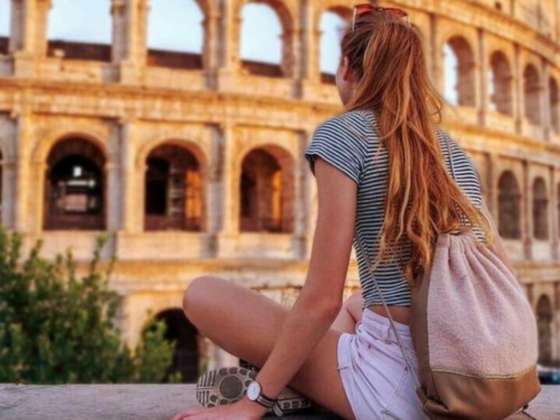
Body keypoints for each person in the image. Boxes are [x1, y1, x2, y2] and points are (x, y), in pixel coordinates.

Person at [171, 4, 511, 420]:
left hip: (403, 392)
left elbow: (320, 299)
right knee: (356, 303)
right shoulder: (453, 152)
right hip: (476, 378)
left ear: (347, 67)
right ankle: (304, 380)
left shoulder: (342, 135)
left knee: (202, 294)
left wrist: (251, 404)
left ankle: (281, 386)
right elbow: (500, 273)